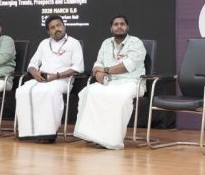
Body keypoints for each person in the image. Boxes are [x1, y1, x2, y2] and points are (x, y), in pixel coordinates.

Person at [73, 15, 146, 150]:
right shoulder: (106, 43)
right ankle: (92, 135)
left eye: (122, 24)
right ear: (111, 28)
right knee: (88, 92)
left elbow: (128, 65)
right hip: (110, 81)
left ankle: (111, 140)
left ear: (127, 27)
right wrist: (97, 73)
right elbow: (98, 62)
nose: (119, 27)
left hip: (131, 82)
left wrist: (105, 70)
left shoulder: (136, 43)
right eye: (116, 24)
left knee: (118, 97)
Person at [15, 15, 83, 143]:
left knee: (50, 92)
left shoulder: (74, 43)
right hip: (42, 79)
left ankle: (48, 133)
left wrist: (56, 76)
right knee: (22, 91)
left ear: (64, 26)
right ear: (48, 31)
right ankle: (27, 132)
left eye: (59, 25)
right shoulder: (44, 43)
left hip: (63, 80)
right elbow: (32, 64)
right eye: (52, 27)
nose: (57, 29)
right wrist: (35, 73)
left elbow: (77, 68)